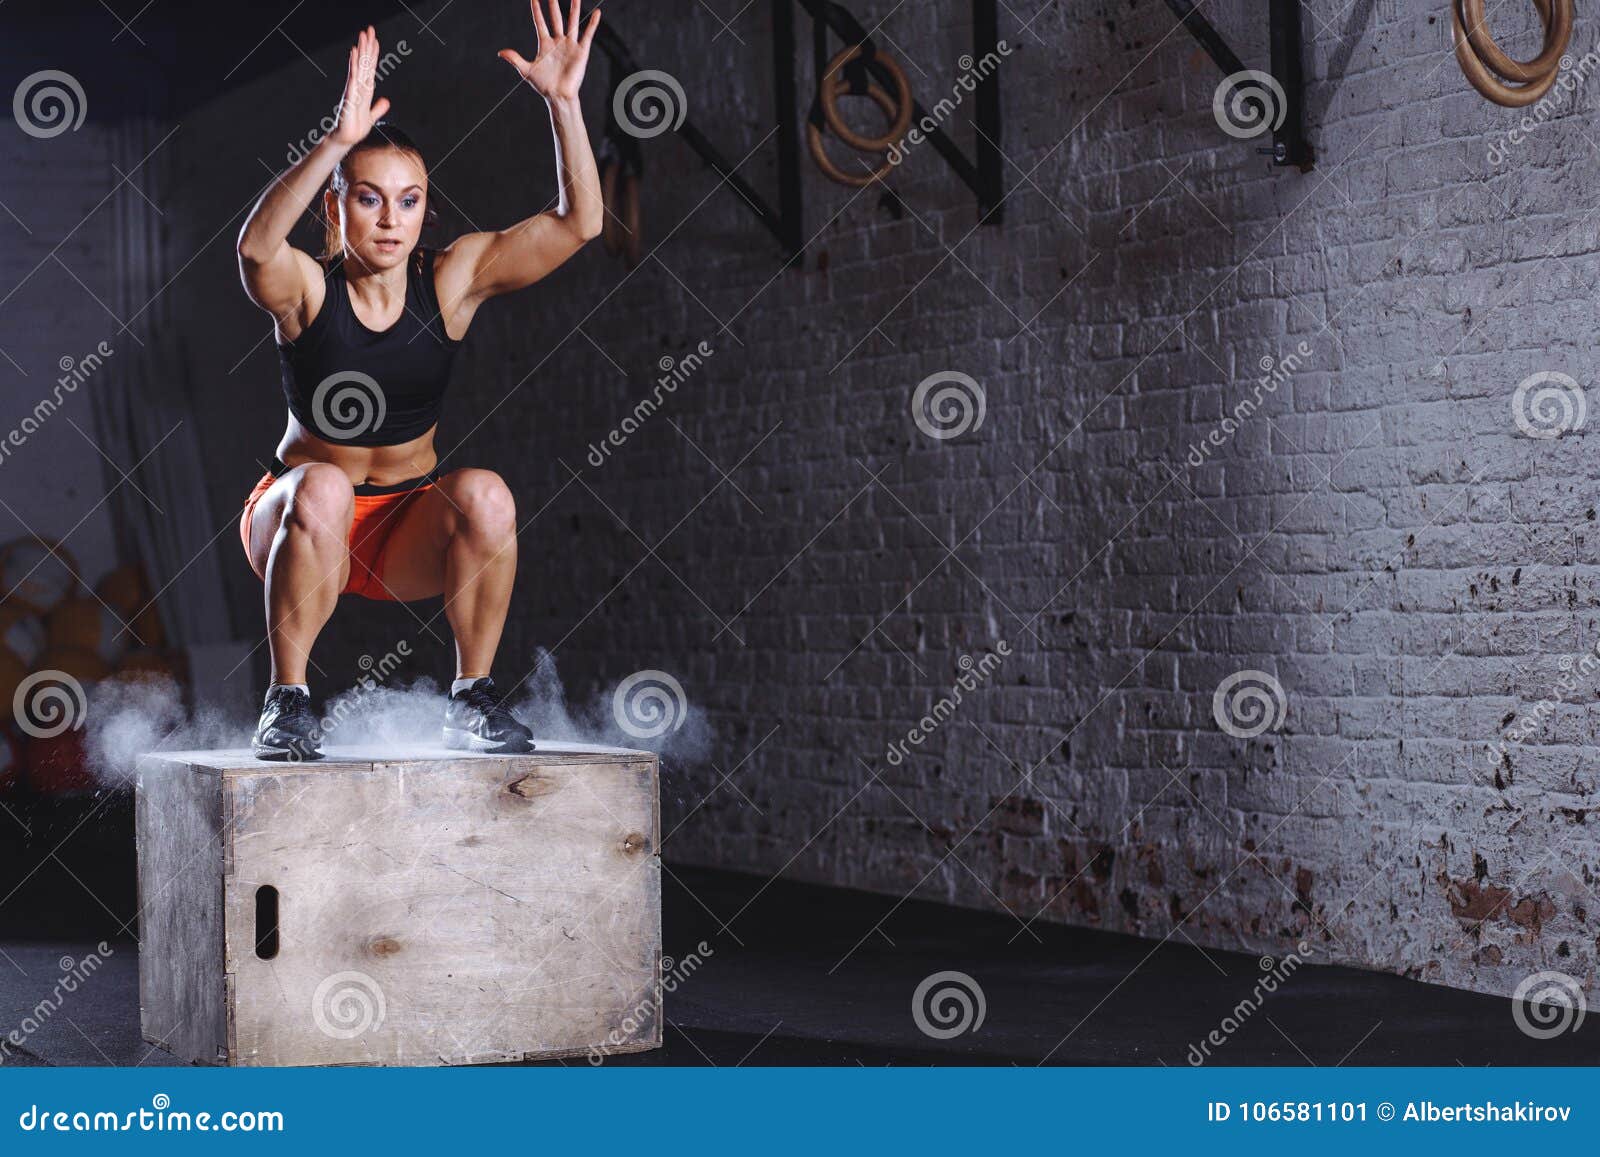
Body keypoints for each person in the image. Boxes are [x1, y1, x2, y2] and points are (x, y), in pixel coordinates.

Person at [234, 3, 603, 760]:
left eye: (409, 200)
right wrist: (337, 141)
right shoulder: (309, 289)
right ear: (338, 207)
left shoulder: (453, 282)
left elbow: (579, 224)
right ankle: (288, 701)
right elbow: (254, 248)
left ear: (426, 209)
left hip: (403, 530)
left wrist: (564, 106)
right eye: (369, 197)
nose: (391, 219)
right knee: (325, 484)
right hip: (300, 524)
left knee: (489, 494)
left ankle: (470, 696)